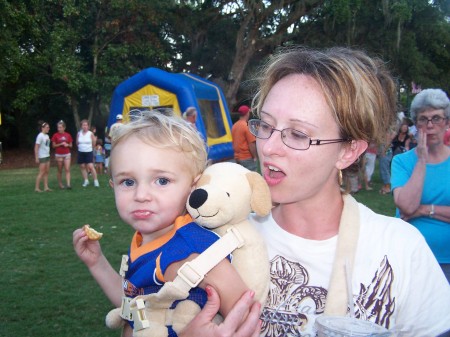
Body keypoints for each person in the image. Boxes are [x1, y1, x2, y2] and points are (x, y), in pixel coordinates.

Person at [180, 47, 450, 337]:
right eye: (266, 125)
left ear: (348, 152)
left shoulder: (398, 248)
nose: (269, 147)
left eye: (298, 134)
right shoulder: (215, 234)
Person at [73, 112, 249, 337]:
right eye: (128, 182)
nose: (142, 194)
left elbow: (247, 316)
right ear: (112, 185)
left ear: (192, 187)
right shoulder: (147, 237)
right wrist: (96, 263)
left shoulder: (194, 251)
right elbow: (134, 304)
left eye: (162, 181)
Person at [391, 88, 450, 284]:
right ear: (416, 125)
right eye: (423, 119)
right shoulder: (402, 162)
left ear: (447, 123)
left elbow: (414, 209)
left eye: (437, 118)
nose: (430, 125)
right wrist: (422, 161)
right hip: (410, 259)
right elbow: (406, 207)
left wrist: (425, 210)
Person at [231, 105, 258, 171]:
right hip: (247, 158)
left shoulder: (234, 126)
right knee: (252, 178)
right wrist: (255, 157)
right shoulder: (246, 126)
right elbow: (251, 144)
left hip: (237, 158)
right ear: (247, 113)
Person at [76, 119, 99, 187]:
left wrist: (90, 148)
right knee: (82, 166)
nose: (84, 126)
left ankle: (95, 181)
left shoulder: (90, 133)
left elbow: (94, 142)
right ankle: (86, 180)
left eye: (86, 125)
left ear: (88, 126)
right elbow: (77, 142)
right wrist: (81, 147)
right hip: (81, 152)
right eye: (83, 125)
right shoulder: (79, 133)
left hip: (88, 152)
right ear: (81, 126)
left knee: (90, 166)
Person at [51, 120, 73, 189]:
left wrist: (67, 145)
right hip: (59, 155)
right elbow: (53, 146)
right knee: (60, 170)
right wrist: (60, 144)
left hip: (67, 154)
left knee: (67, 169)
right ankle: (60, 184)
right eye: (58, 127)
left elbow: (71, 145)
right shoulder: (55, 135)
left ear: (64, 128)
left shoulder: (68, 135)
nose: (59, 129)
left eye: (60, 127)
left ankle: (68, 184)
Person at [34, 121, 52, 192]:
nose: (48, 128)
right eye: (47, 127)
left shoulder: (47, 136)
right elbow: (36, 147)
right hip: (42, 156)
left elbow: (47, 146)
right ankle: (37, 188)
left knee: (46, 172)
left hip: (47, 155)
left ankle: (46, 187)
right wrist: (36, 157)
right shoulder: (40, 136)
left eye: (49, 127)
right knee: (41, 172)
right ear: (42, 128)